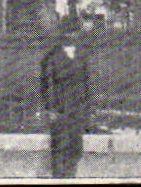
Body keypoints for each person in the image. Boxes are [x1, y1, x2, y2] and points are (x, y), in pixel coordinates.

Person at [40, 26, 92, 178]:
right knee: (60, 143)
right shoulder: (52, 57)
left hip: (77, 106)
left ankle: (71, 174)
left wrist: (87, 106)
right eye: (67, 33)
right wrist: (51, 109)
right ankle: (59, 176)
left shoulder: (81, 55)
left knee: (76, 145)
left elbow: (87, 83)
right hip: (60, 106)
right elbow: (47, 84)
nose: (71, 36)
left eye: (74, 33)